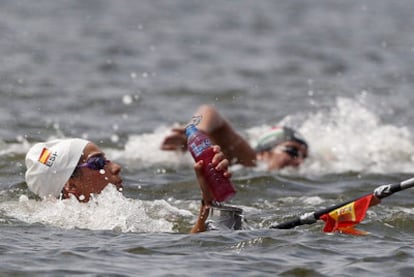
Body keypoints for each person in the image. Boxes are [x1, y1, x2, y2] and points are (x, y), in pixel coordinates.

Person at [24, 138, 232, 233]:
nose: (115, 167)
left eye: (107, 159)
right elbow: (186, 253)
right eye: (98, 163)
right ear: (71, 185)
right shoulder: (93, 227)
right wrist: (207, 201)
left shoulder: (124, 213)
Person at [161, 105, 309, 170]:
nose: (300, 161)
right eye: (293, 151)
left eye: (304, 156)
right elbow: (208, 111)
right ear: (266, 152)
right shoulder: (249, 159)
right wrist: (196, 131)